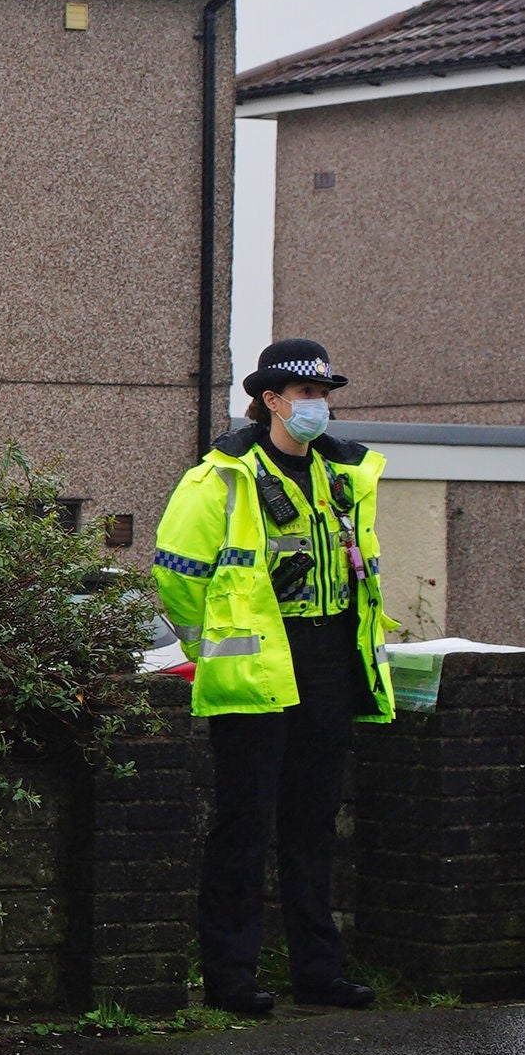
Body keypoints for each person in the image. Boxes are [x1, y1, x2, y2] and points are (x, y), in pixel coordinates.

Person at [150, 338, 392, 1018]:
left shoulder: (341, 476)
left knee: (313, 825)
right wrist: (213, 646)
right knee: (243, 826)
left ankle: (319, 973)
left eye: (322, 395)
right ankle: (230, 978)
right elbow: (176, 576)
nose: (316, 406)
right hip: (254, 667)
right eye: (304, 395)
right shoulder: (220, 477)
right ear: (269, 401)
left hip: (326, 662)